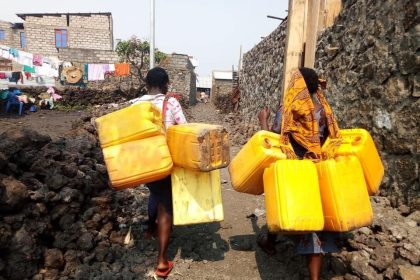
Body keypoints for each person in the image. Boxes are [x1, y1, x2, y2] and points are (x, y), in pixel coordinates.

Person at [257, 67, 341, 280]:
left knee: (284, 206)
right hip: (318, 168)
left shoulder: (289, 108)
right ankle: (270, 242)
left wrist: (263, 122)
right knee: (316, 220)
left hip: (295, 170)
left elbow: (275, 139)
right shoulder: (324, 108)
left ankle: (271, 243)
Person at [134, 67, 187, 277]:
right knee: (166, 206)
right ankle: (162, 262)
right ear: (165, 84)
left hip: (141, 162)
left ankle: (150, 228)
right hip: (163, 161)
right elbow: (184, 128)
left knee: (154, 192)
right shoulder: (171, 102)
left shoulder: (135, 104)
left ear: (146, 84)